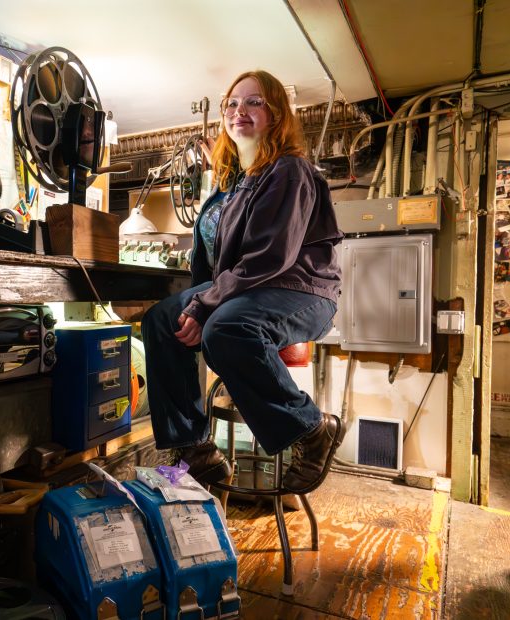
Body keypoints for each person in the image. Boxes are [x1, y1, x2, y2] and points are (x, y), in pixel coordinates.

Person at [141, 70, 344, 494]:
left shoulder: (288, 170)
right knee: (162, 320)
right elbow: (215, 266)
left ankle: (312, 430)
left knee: (227, 329)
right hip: (250, 289)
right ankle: (194, 449)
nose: (240, 111)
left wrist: (205, 306)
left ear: (276, 115)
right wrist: (195, 304)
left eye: (254, 102)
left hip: (300, 290)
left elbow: (270, 257)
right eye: (232, 103)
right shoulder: (233, 185)